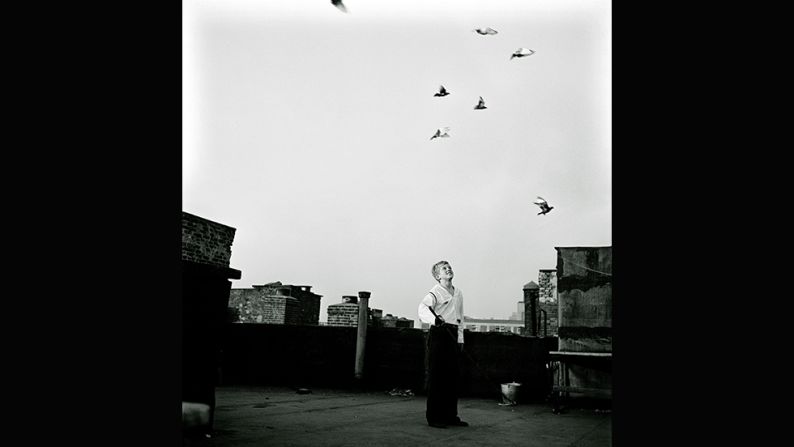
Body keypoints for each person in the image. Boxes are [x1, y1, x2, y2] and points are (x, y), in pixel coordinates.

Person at [418, 260, 469, 428]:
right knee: (437, 376)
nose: (448, 270)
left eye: (449, 267)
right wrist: (434, 319)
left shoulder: (458, 293)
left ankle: (450, 416)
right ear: (438, 276)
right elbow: (422, 309)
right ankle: (434, 417)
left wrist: (460, 339)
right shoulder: (435, 292)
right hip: (439, 334)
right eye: (444, 269)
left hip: (453, 334)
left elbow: (460, 317)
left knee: (451, 376)